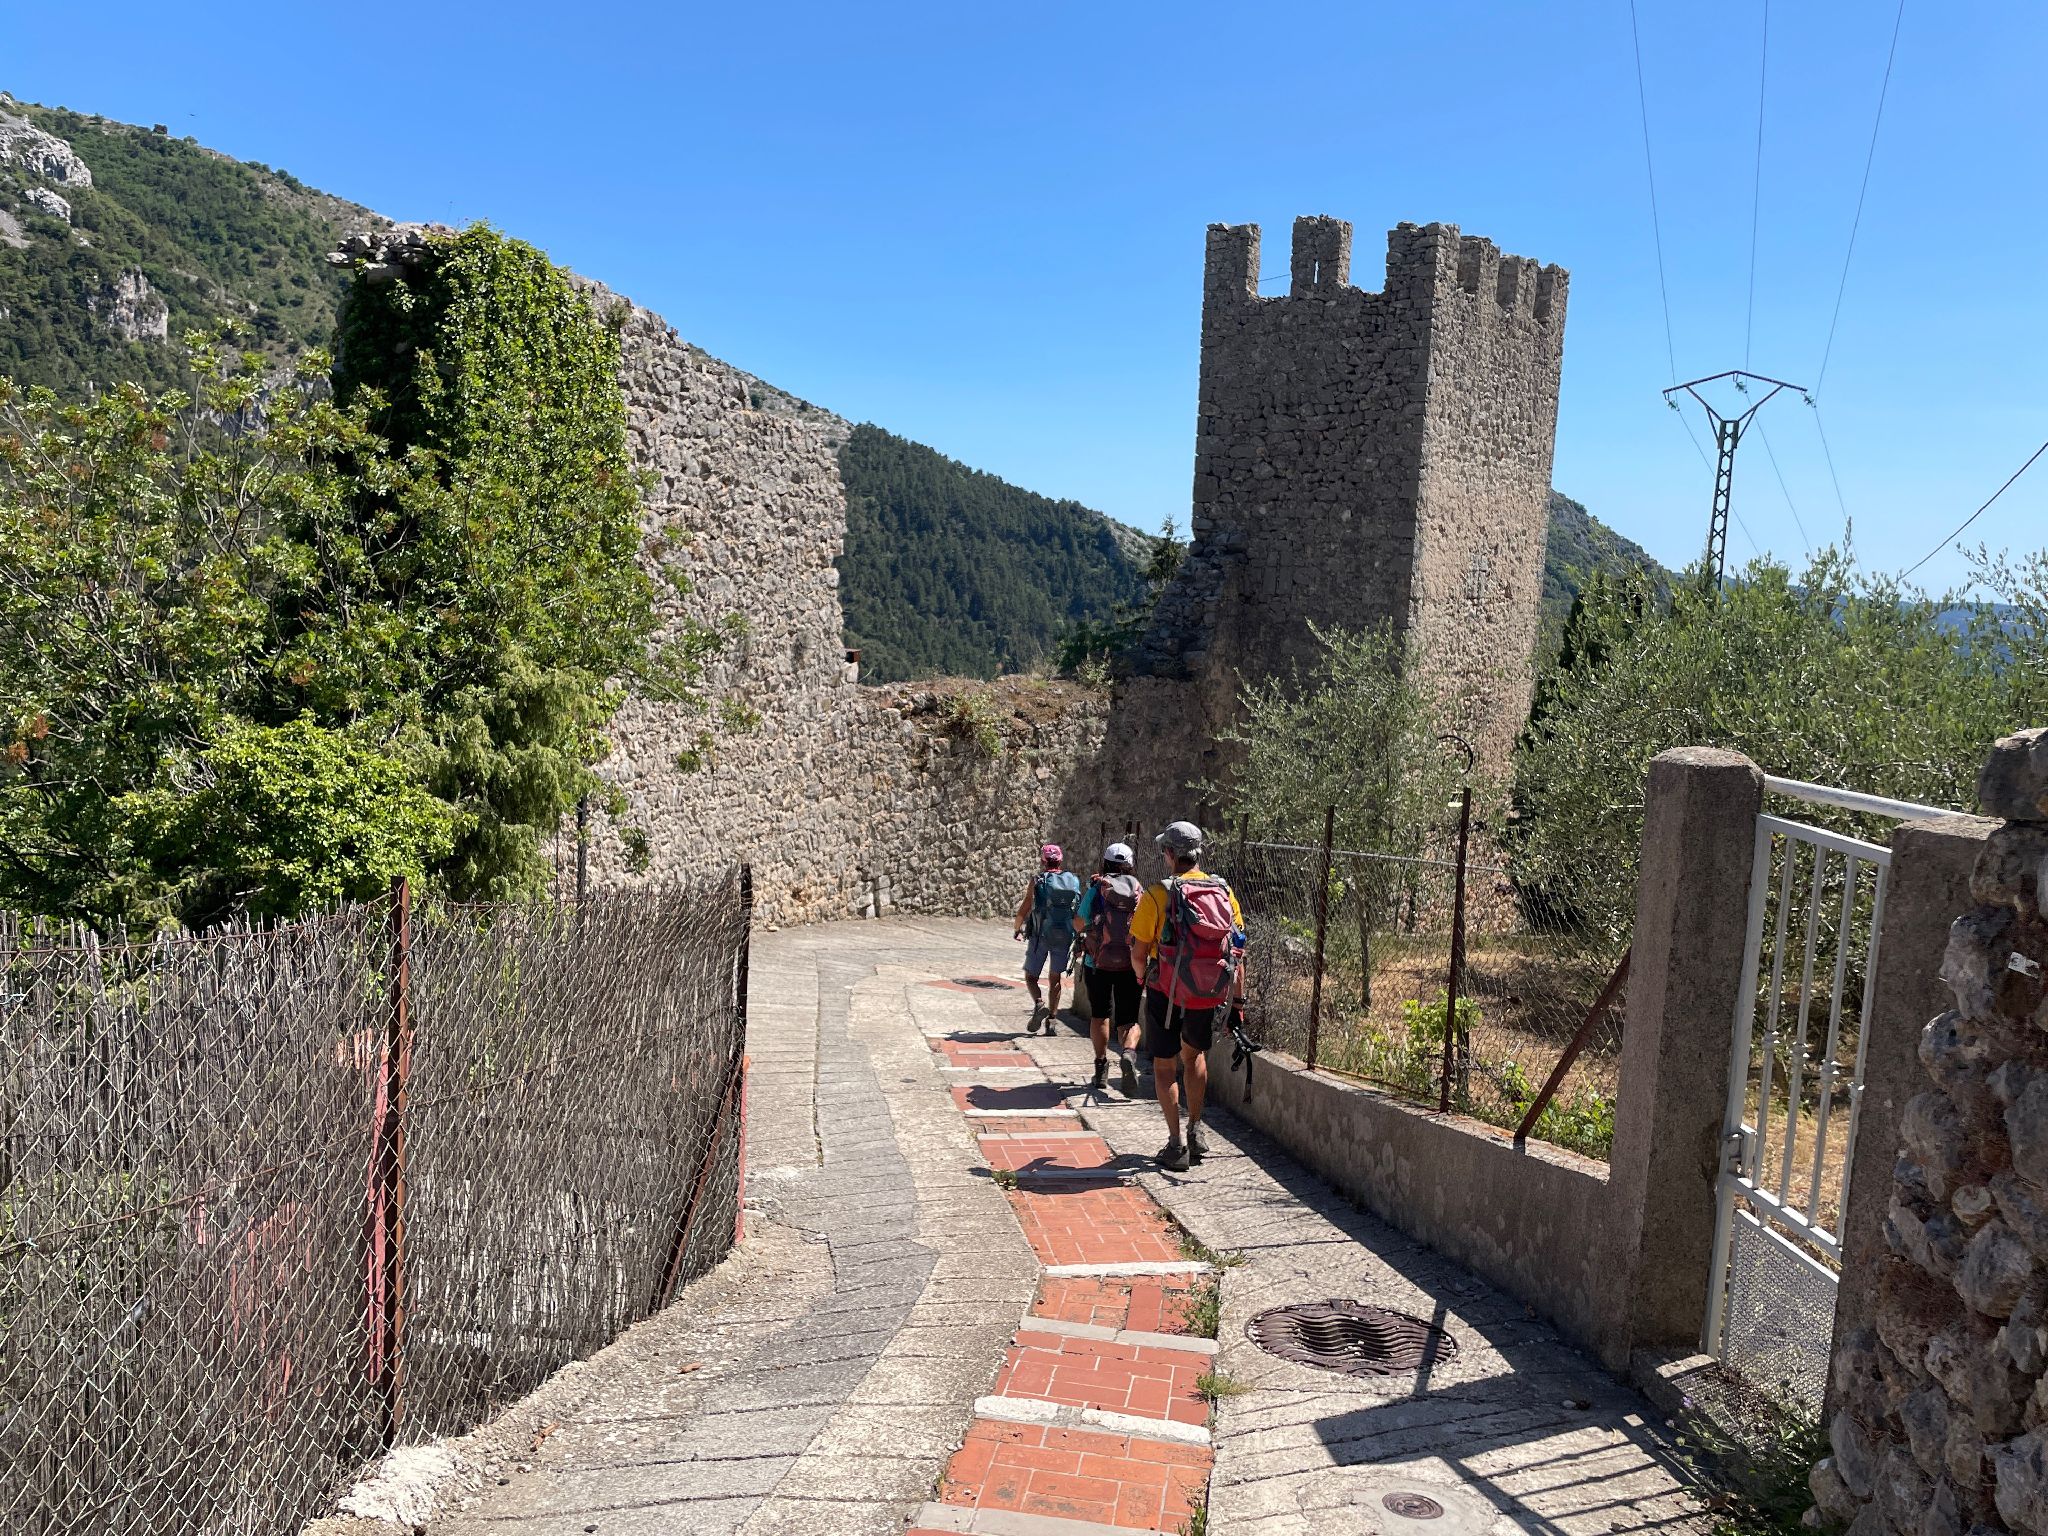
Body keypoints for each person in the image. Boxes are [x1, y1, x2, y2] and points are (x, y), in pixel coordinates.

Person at [1129, 821, 1245, 1171]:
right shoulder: (1223, 892)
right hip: (1206, 993)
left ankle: (1175, 1144)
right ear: (1198, 853)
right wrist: (1237, 1002)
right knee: (1194, 1057)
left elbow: (1138, 953)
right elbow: (1237, 952)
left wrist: (1141, 977)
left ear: (1169, 854)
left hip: (1164, 992)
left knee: (1165, 1066)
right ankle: (1196, 1130)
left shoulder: (1156, 894)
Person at [1072, 842, 1144, 1095]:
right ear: (1131, 864)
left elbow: (1078, 922)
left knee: (1100, 1015)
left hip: (1097, 962)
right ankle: (1128, 1053)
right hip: (1130, 964)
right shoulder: (1139, 890)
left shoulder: (1097, 889)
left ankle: (1101, 1066)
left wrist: (1091, 929)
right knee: (1129, 1020)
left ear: (1105, 863)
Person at [1012, 844, 1081, 1032]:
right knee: (1055, 979)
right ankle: (1052, 1021)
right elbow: (1077, 911)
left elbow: (1026, 906)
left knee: (1031, 977)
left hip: (1040, 935)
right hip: (1064, 935)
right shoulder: (1072, 880)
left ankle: (1039, 1003)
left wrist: (1018, 927)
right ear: (1060, 860)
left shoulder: (1038, 880)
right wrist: (1079, 936)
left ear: (1044, 861)